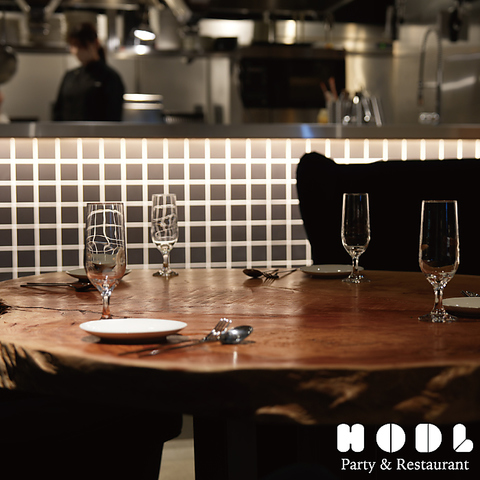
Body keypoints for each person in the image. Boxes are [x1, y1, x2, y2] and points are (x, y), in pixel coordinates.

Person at [53, 23, 124, 121]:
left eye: (80, 45)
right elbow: (58, 111)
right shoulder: (70, 76)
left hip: (97, 131)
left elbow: (113, 117)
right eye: (73, 45)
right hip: (67, 130)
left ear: (95, 44)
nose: (77, 50)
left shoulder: (110, 77)